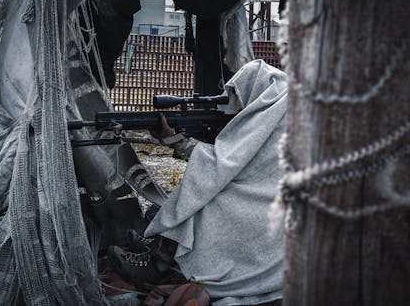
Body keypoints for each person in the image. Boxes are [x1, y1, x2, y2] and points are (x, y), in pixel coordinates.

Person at [111, 60, 288, 305]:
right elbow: (233, 162)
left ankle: (158, 264)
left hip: (274, 207)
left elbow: (222, 164)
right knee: (205, 191)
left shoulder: (271, 114)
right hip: (271, 199)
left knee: (205, 198)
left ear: (257, 90)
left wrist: (176, 139)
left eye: (237, 95)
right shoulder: (280, 109)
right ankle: (161, 250)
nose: (235, 105)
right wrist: (176, 139)